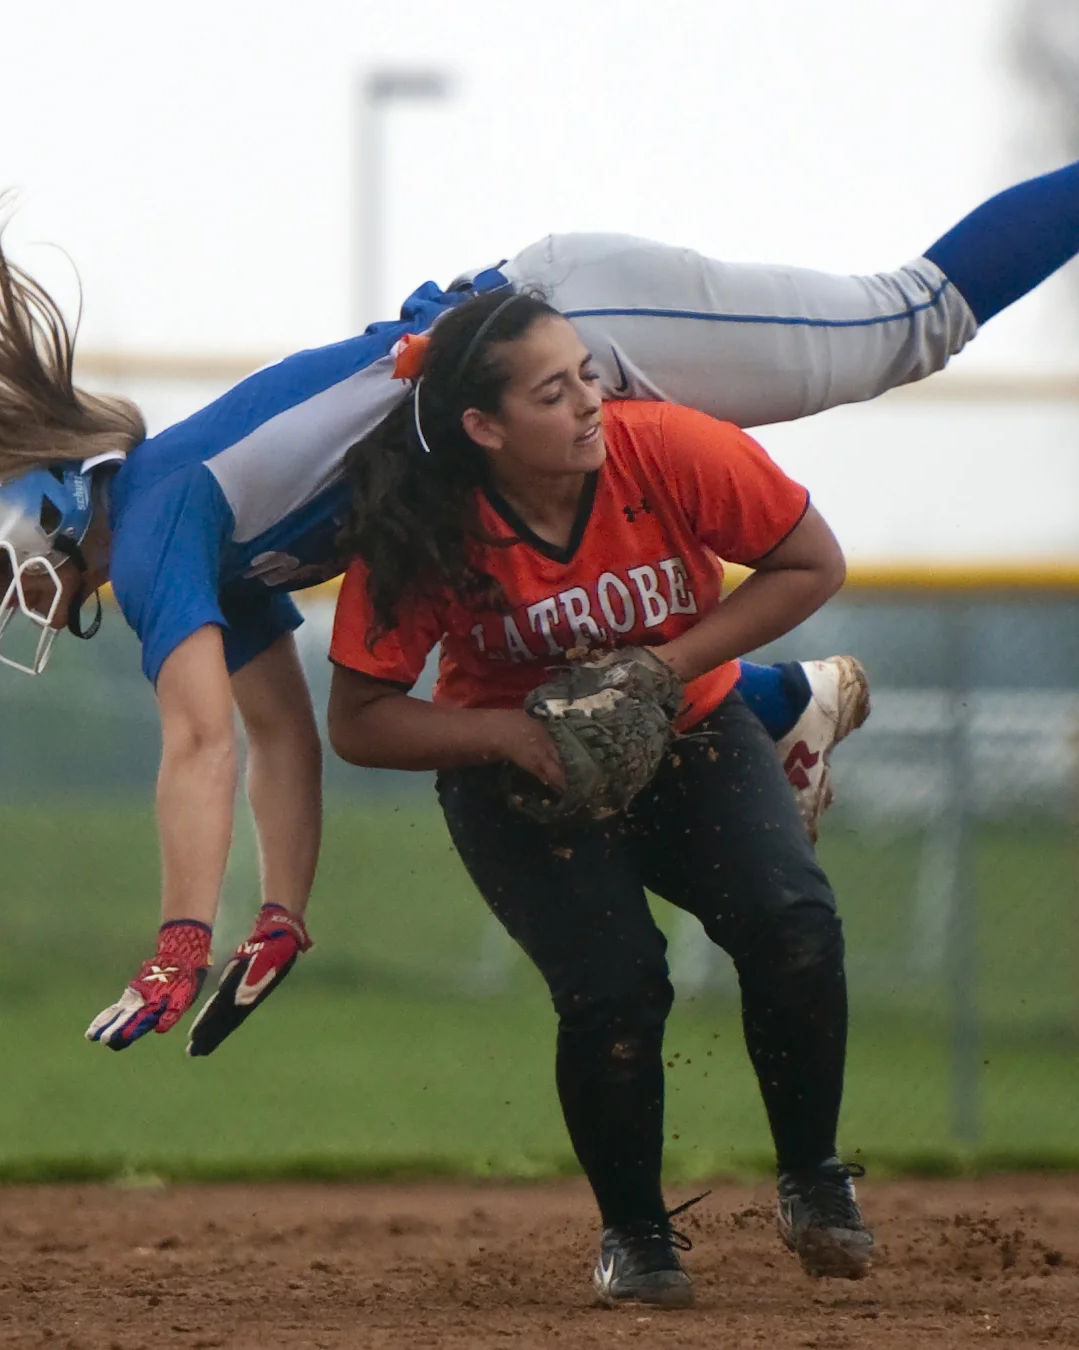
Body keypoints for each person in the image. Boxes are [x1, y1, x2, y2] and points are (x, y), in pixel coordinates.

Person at [0, 47, 1079, 1056]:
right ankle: (786, 704)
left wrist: (173, 937)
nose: (22, 599)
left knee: (912, 321)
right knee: (531, 652)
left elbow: (198, 745)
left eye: (3, 565)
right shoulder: (184, 535)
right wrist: (276, 915)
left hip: (563, 328)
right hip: (508, 410)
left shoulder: (149, 514)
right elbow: (287, 740)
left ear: (37, 502)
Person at [326, 285, 863, 1306]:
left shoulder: (666, 451)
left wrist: (667, 669)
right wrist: (506, 734)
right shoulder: (429, 527)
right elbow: (358, 720)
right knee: (617, 988)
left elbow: (811, 562)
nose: (585, 403)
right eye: (550, 392)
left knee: (793, 923)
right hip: (516, 778)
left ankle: (814, 1180)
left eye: (586, 375)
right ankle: (637, 1238)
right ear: (482, 427)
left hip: (691, 728)